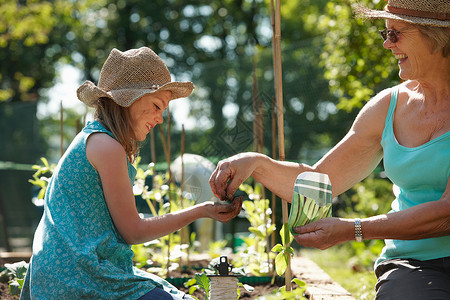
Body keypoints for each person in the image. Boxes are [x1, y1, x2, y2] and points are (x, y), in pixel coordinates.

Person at [209, 0, 450, 298]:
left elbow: (446, 214)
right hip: (414, 265)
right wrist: (256, 164)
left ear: (437, 36)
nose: (387, 45)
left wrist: (354, 229)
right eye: (384, 34)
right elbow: (320, 183)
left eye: (396, 33)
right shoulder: (388, 107)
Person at [21, 47, 242, 300]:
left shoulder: (97, 139)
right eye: (157, 106)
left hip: (65, 275)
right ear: (128, 99)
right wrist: (201, 210)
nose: (160, 119)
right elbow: (133, 232)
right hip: (76, 280)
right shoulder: (107, 147)